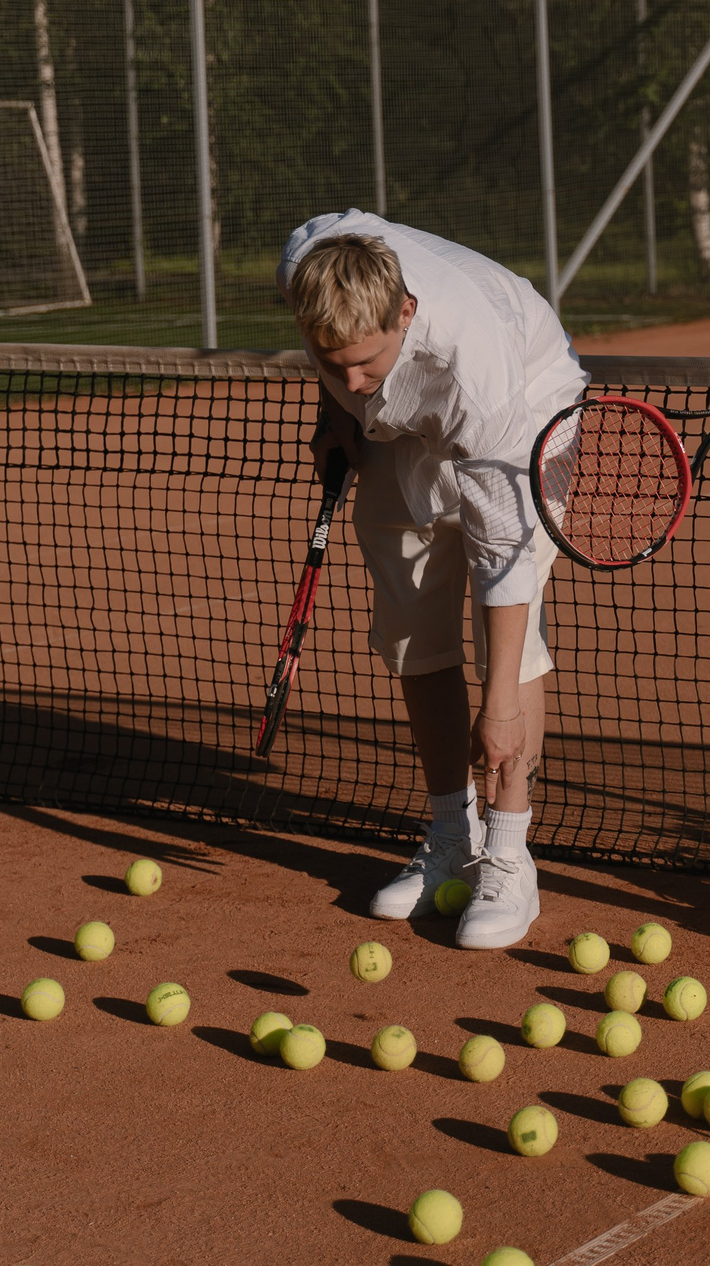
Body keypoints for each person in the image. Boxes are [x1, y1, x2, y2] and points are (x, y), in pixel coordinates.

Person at [277, 212, 587, 950]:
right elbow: (347, 368)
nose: (351, 377)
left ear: (405, 312)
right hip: (403, 429)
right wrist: (338, 411)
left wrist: (500, 705)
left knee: (506, 648)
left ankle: (509, 857)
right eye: (332, 360)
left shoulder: (475, 367)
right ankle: (452, 832)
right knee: (414, 626)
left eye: (366, 362)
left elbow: (503, 554)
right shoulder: (303, 269)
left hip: (527, 406)